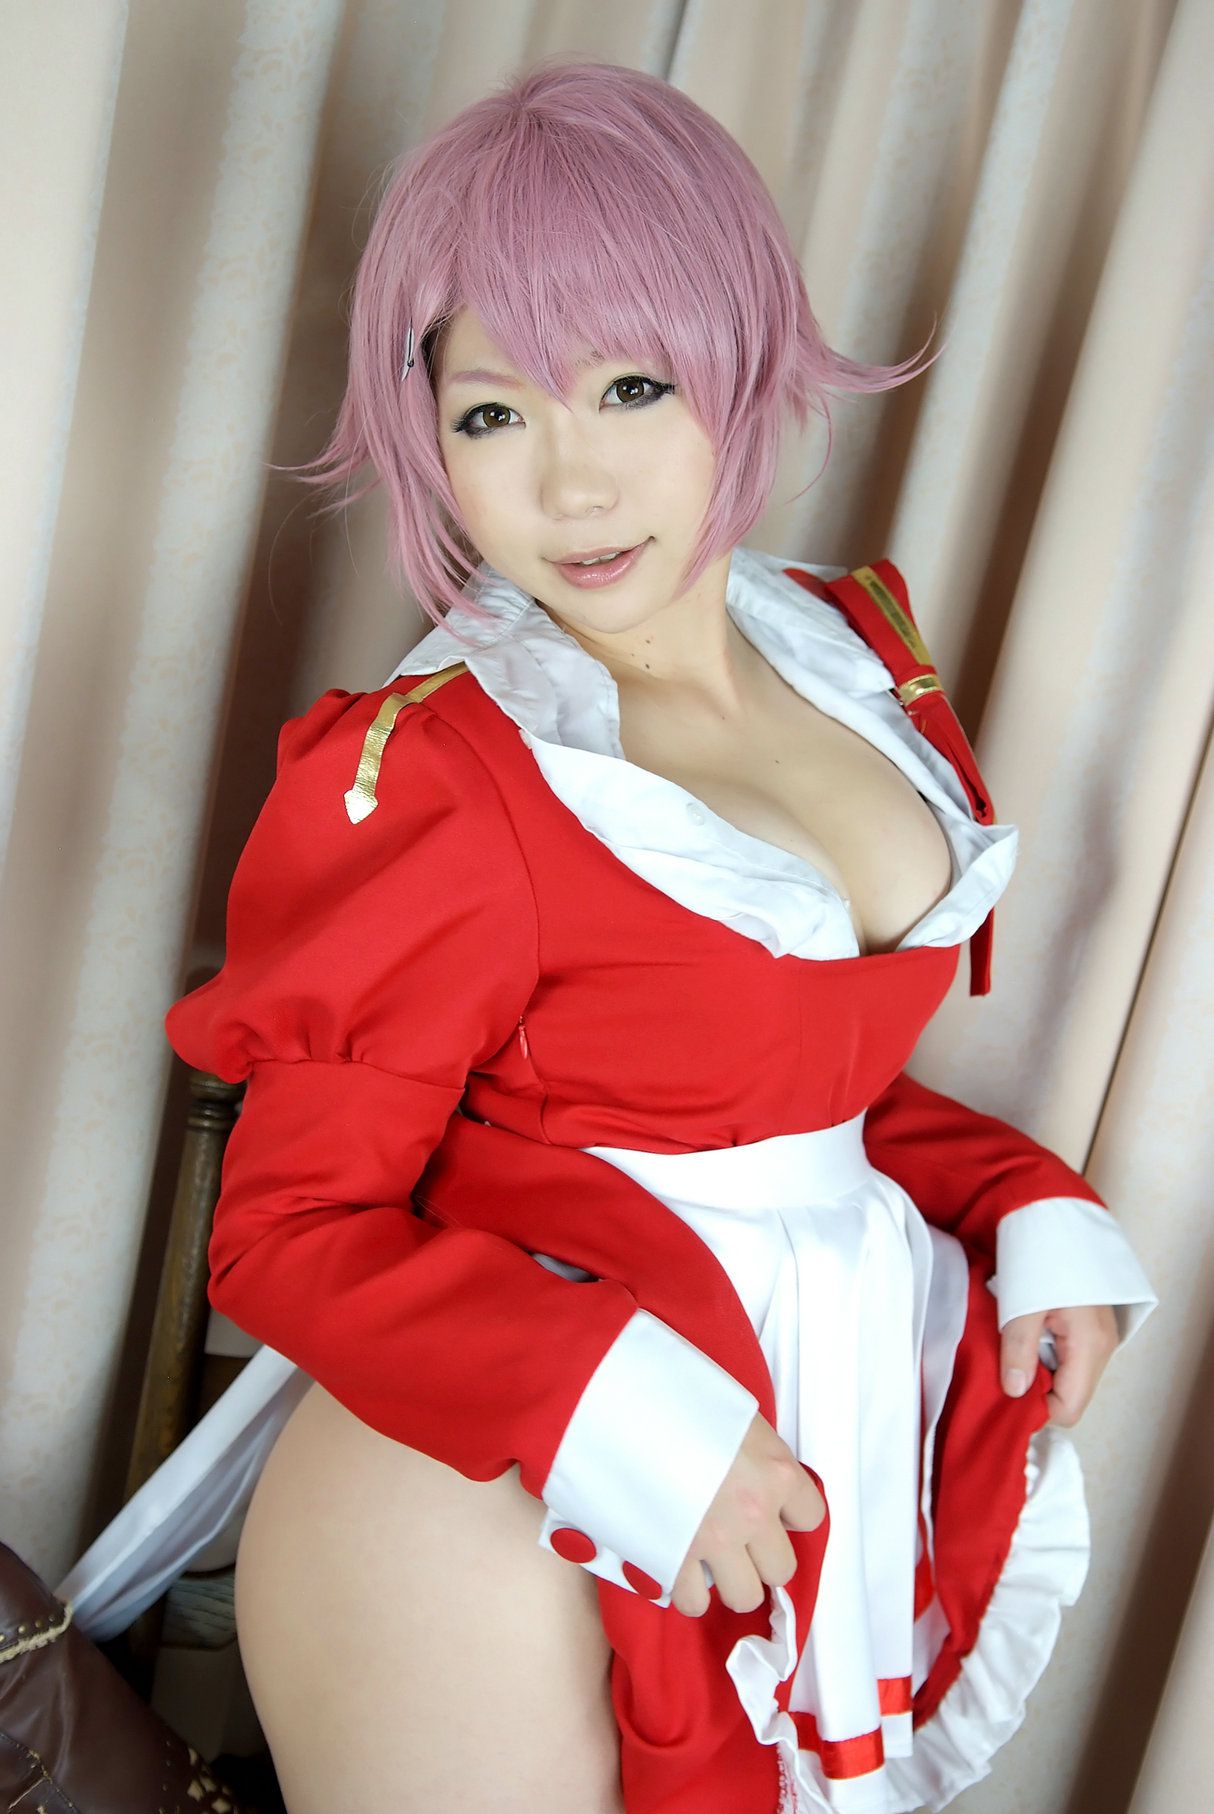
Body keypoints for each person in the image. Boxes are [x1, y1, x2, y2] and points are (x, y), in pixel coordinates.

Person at [148, 57, 1155, 1814]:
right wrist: (611, 1409)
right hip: (487, 1498)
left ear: (738, 362)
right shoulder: (438, 769)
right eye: (492, 416)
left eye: (630, 385)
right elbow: (286, 1228)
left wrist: (1015, 1199)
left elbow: (761, 1087)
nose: (573, 485)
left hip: (792, 1416)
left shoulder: (850, 649)